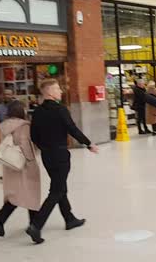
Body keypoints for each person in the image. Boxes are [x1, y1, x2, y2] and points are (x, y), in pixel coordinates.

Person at [26, 79, 99, 244]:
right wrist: (88, 143)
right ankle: (36, 225)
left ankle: (69, 218)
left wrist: (44, 146)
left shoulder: (37, 112)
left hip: (47, 155)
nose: (60, 91)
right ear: (50, 92)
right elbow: (72, 129)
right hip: (60, 154)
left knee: (59, 186)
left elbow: (34, 136)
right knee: (56, 191)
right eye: (58, 88)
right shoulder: (61, 110)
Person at [0, 100, 41, 238]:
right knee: (31, 191)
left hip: (10, 164)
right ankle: (33, 225)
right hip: (23, 164)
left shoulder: (5, 125)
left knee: (15, 194)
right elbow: (25, 145)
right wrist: (31, 160)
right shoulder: (23, 126)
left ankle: (1, 219)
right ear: (21, 111)